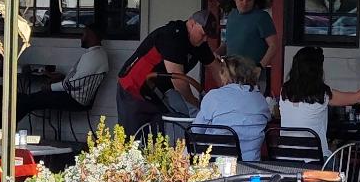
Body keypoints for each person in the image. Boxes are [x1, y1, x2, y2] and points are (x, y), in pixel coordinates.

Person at [116, 9, 217, 137]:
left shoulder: (200, 43)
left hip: (158, 93)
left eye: (208, 36)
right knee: (132, 138)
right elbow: (178, 80)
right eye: (203, 34)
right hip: (134, 89)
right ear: (192, 24)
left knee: (159, 137)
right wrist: (197, 105)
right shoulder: (172, 36)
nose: (205, 39)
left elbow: (216, 68)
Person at [279, 46, 360, 156]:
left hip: (285, 157)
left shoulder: (284, 91)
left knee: (331, 149)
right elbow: (358, 97)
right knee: (335, 154)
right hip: (314, 162)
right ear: (317, 70)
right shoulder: (321, 94)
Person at [192, 56, 272, 161]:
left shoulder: (213, 96)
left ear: (224, 75)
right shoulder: (260, 99)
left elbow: (195, 131)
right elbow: (267, 120)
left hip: (217, 162)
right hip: (250, 163)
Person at [220, 0, 281, 89]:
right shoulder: (232, 15)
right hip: (230, 76)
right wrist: (216, 53)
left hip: (253, 77)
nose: (244, 3)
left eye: (249, 0)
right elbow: (228, 42)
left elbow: (274, 45)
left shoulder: (262, 17)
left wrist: (260, 66)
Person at [48, 22, 109, 92]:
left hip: (73, 97)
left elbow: (74, 83)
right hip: (74, 94)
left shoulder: (92, 57)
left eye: (83, 34)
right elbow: (78, 79)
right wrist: (62, 77)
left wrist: (51, 87)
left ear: (91, 36)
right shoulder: (100, 53)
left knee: (36, 97)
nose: (81, 38)